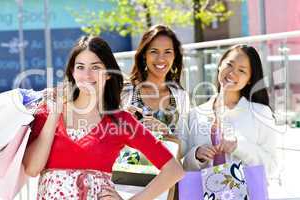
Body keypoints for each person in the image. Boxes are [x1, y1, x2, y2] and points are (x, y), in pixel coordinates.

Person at [23, 36, 184, 200]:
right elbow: (32, 169)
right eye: (80, 67)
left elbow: (174, 170)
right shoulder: (48, 112)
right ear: (72, 71)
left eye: (95, 67)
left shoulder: (120, 121)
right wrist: (54, 114)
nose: (87, 75)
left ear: (108, 73)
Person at [183, 44, 277, 177]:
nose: (232, 73)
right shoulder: (195, 114)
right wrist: (196, 155)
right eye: (229, 65)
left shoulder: (261, 113)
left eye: (242, 71)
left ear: (250, 79)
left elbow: (271, 167)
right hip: (203, 195)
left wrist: (239, 147)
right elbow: (183, 165)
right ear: (220, 65)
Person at [121, 25, 190, 159]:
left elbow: (185, 150)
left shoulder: (181, 97)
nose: (161, 59)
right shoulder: (125, 93)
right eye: (154, 51)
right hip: (130, 178)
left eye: (168, 52)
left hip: (169, 177)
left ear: (175, 56)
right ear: (144, 55)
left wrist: (166, 133)